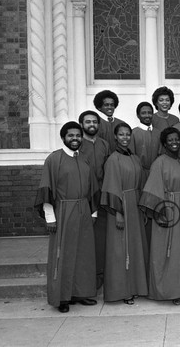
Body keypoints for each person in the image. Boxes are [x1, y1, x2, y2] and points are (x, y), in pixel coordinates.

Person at [34, 121, 99, 313]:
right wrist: (50, 217)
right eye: (71, 136)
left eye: (78, 135)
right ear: (63, 137)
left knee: (83, 254)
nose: (75, 139)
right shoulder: (54, 159)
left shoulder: (85, 159)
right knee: (62, 254)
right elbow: (47, 188)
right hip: (63, 211)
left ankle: (81, 293)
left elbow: (93, 188)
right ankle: (62, 297)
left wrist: (93, 212)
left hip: (83, 211)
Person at [139, 127, 180, 306]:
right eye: (170, 140)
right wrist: (160, 211)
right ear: (164, 143)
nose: (174, 142)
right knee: (168, 251)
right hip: (168, 209)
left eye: (177, 139)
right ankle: (169, 290)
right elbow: (154, 187)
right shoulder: (159, 163)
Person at [101, 123, 148, 305]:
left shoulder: (135, 158)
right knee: (121, 249)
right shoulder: (113, 160)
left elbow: (141, 183)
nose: (125, 137)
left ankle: (135, 287)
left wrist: (142, 207)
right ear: (115, 137)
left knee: (135, 248)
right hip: (121, 207)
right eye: (121, 135)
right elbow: (111, 186)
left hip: (135, 205)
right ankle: (123, 290)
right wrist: (118, 213)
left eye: (128, 134)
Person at [78, 110, 110, 290]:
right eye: (87, 122)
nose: (91, 125)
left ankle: (100, 275)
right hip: (83, 195)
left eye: (94, 122)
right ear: (82, 124)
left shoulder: (104, 144)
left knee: (100, 238)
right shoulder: (78, 144)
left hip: (101, 194)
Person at [129, 102, 162, 178]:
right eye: (143, 113)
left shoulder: (158, 133)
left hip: (156, 173)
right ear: (138, 115)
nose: (147, 115)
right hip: (139, 174)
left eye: (149, 113)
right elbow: (132, 156)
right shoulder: (133, 133)